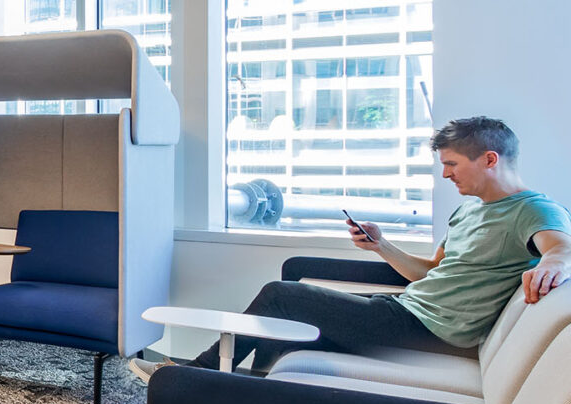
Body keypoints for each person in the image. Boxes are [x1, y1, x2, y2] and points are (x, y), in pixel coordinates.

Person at [133, 117, 571, 380]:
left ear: (490, 160)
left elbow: (561, 245)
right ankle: (255, 380)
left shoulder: (531, 209)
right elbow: (430, 273)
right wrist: (381, 245)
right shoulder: (470, 211)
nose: (446, 175)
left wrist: (552, 261)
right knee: (293, 295)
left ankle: (198, 374)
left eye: (452, 165)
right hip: (406, 309)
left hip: (430, 330)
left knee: (281, 296)